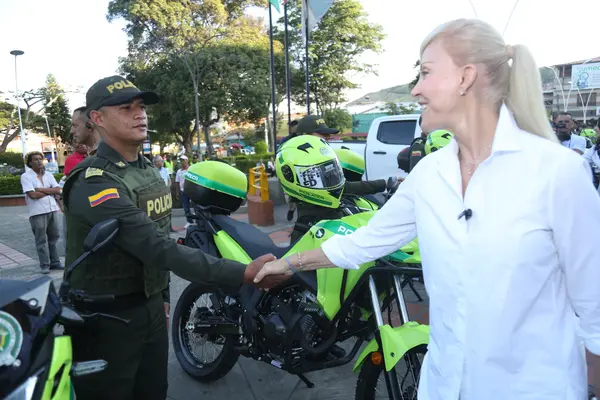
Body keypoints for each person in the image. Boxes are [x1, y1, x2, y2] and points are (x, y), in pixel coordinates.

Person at [254, 19, 600, 400]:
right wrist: (289, 264)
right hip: (442, 385)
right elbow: (365, 241)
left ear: (466, 77)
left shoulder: (557, 174)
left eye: (426, 73)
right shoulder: (430, 174)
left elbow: (595, 310)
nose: (416, 89)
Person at [61, 75, 288, 400]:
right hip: (105, 318)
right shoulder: (94, 181)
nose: (140, 114)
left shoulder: (147, 172)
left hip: (150, 308)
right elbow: (156, 247)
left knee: (154, 391)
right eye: (126, 108)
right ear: (97, 118)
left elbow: (160, 232)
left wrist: (163, 296)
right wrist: (243, 273)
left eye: (141, 106)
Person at [20, 151, 64, 274]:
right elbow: (32, 195)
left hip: (52, 209)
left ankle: (55, 262)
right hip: (37, 212)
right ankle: (44, 264)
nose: (39, 161)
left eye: (40, 159)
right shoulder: (26, 176)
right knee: (41, 239)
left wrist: (41, 189)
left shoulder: (48, 175)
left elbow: (58, 190)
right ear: (30, 162)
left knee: (54, 237)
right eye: (35, 159)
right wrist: (50, 191)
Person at [175, 155, 193, 228]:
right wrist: (177, 192)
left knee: (196, 206)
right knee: (186, 207)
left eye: (183, 160)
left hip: (192, 191)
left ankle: (199, 220)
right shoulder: (179, 171)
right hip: (183, 191)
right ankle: (189, 221)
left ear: (187, 161)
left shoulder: (191, 169)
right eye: (181, 161)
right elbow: (177, 182)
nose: (182, 162)